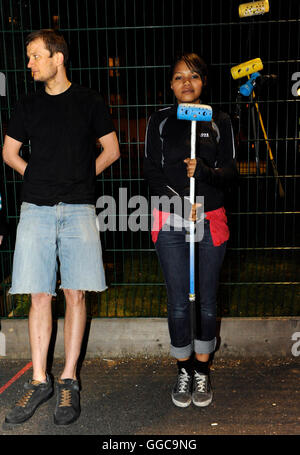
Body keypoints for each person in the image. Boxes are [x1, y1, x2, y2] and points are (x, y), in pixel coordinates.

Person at [2, 29, 120, 425]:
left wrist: (82, 179)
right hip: (35, 209)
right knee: (38, 295)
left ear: (58, 58)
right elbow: (9, 152)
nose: (30, 64)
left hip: (79, 209)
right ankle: (39, 380)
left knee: (75, 294)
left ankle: (68, 379)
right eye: (29, 57)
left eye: (36, 56)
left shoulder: (88, 101)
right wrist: (35, 177)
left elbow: (112, 149)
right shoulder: (28, 104)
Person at [144, 53, 237, 408]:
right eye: (179, 77)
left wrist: (205, 173)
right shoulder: (160, 121)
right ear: (171, 84)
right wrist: (181, 204)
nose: (187, 83)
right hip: (170, 220)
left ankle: (202, 370)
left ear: (204, 83)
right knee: (180, 302)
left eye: (194, 76)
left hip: (210, 219)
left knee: (208, 302)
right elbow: (151, 171)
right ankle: (183, 369)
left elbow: (231, 172)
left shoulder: (219, 121)